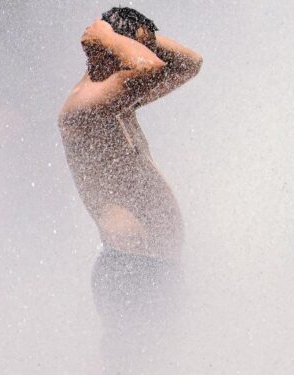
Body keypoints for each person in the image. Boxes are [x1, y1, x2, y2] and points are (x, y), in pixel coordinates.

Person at [57, 7, 202, 373]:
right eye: (129, 49)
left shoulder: (119, 102)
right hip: (129, 269)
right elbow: (150, 69)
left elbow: (190, 63)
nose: (147, 56)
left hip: (158, 268)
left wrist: (141, 38)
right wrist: (108, 36)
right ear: (100, 50)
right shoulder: (83, 106)